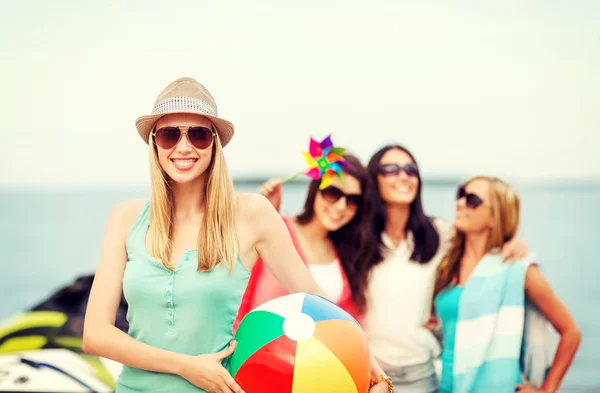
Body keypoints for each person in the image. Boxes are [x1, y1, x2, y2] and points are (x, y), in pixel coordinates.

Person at [82, 77, 391, 393]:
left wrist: (376, 375)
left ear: (215, 143)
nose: (184, 146)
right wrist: (186, 366)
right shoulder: (125, 217)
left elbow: (322, 305)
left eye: (199, 135)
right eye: (169, 134)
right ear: (155, 143)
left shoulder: (251, 214)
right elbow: (95, 334)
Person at [361, 144, 530, 393]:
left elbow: (483, 237)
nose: (403, 176)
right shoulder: (357, 239)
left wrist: (513, 243)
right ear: (374, 178)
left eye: (410, 169)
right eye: (390, 169)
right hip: (369, 375)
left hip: (421, 375)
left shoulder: (440, 234)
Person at [432, 176, 581, 393]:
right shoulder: (448, 264)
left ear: (495, 216)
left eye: (472, 200)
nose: (460, 203)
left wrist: (547, 389)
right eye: (461, 194)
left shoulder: (516, 268)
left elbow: (571, 332)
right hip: (448, 385)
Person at [235, 153, 379, 328]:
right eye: (332, 192)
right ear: (315, 189)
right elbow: (238, 297)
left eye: (353, 200)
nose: (341, 206)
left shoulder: (348, 253)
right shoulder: (278, 231)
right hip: (258, 351)